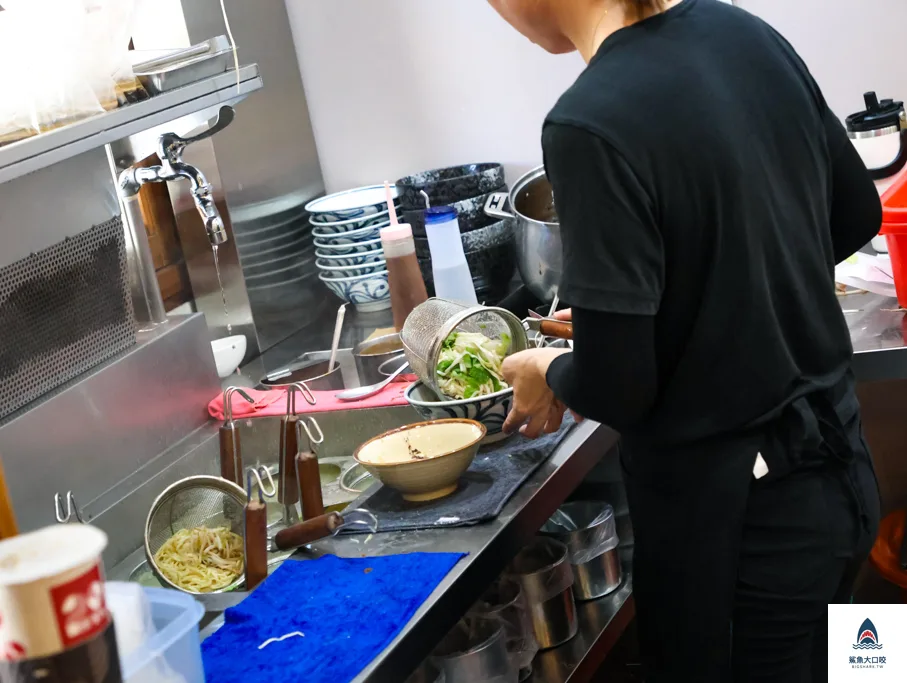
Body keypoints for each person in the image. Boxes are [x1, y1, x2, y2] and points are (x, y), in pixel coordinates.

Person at [488, 0, 883, 680]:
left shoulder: (587, 122)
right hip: (843, 482)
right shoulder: (742, 32)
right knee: (862, 670)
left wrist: (546, 367)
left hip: (740, 536)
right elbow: (854, 212)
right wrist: (667, 317)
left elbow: (619, 386)